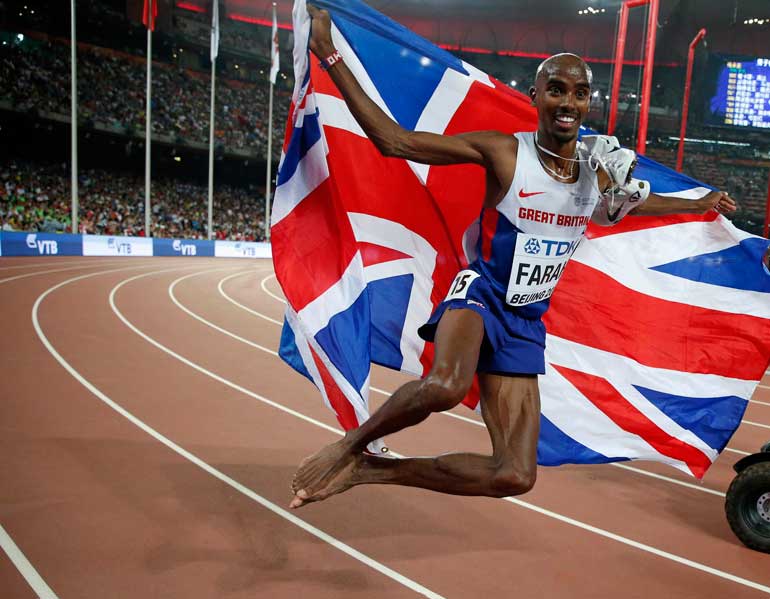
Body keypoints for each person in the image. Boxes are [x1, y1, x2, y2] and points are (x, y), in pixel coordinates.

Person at [290, 5, 737, 509]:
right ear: (538, 96)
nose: (568, 101)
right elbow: (394, 142)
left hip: (525, 317)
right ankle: (349, 448)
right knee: (445, 386)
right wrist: (329, 55)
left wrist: (695, 202)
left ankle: (373, 470)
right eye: (557, 89)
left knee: (515, 474)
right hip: (480, 294)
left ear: (589, 102)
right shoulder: (505, 152)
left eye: (580, 92)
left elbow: (635, 203)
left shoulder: (598, 168)